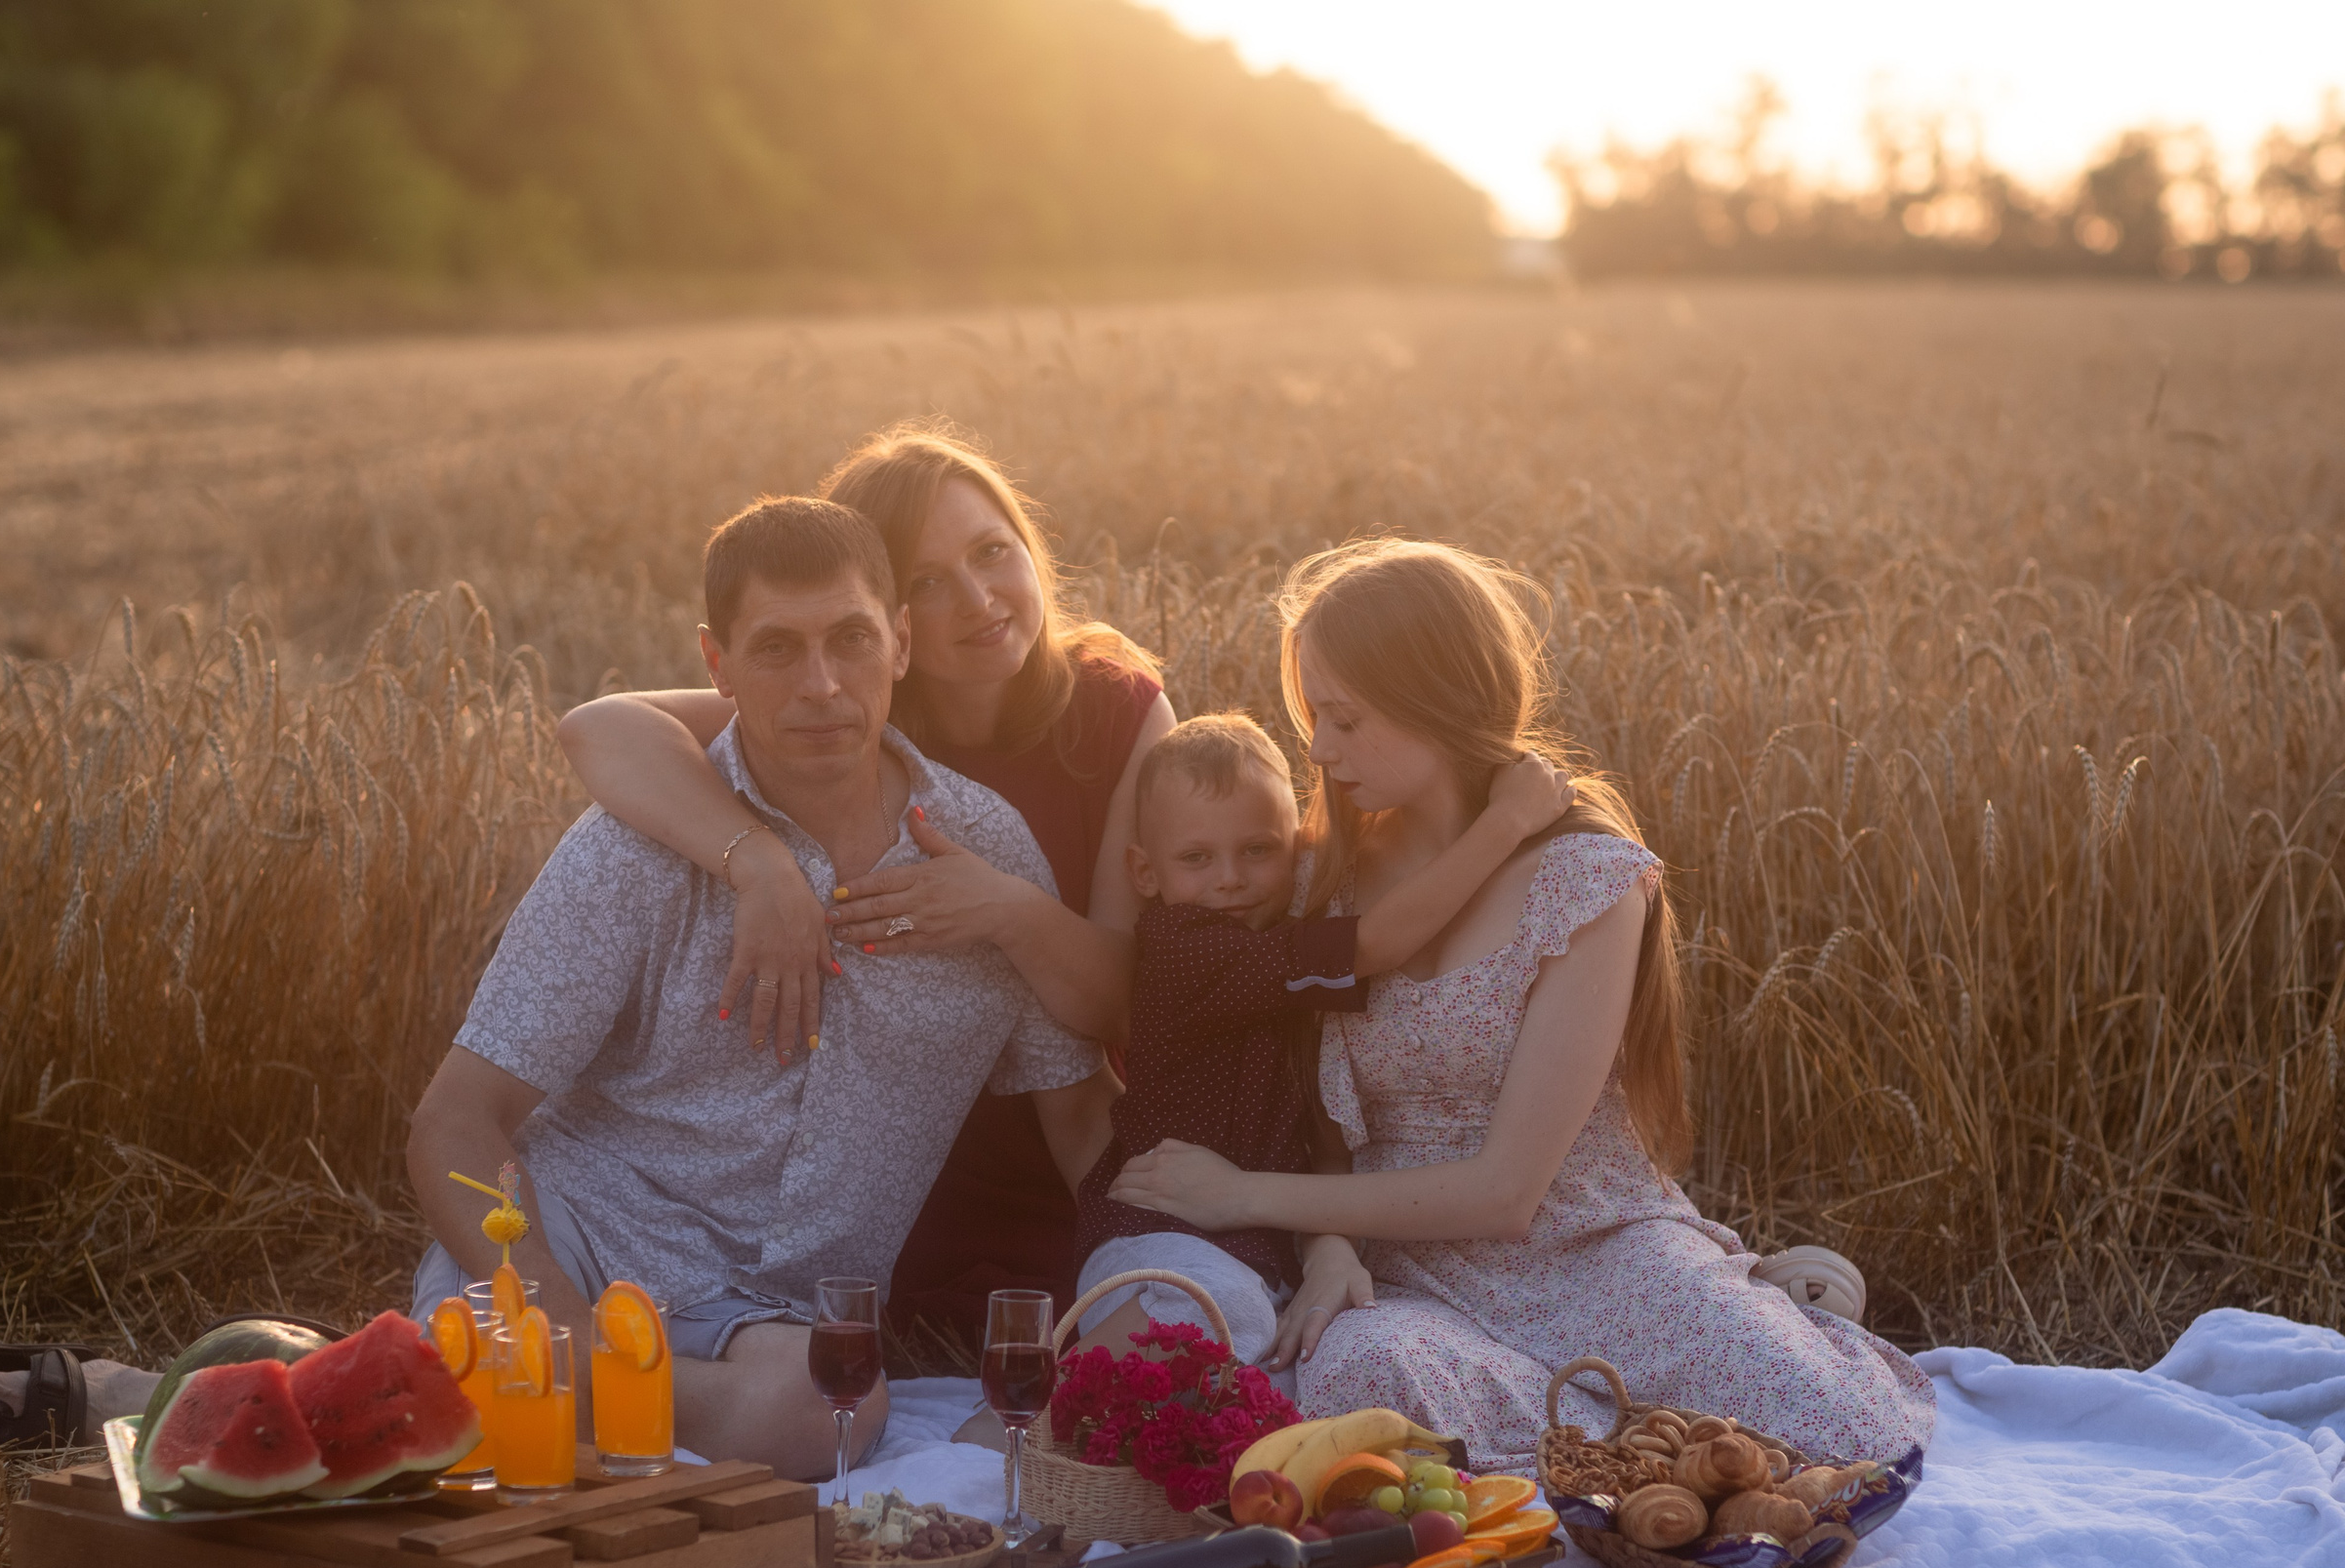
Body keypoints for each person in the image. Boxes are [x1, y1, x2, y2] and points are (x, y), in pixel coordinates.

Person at [1108, 539, 1936, 1468]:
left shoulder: (1584, 881)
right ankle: (1638, 1439)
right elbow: (1305, 1106)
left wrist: (1243, 1195)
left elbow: (1510, 1192)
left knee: (1844, 1437)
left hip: (1585, 1245)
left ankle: (1732, 1327)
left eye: (1343, 718)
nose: (1317, 748)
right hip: (1408, 1269)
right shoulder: (1311, 880)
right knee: (1361, 1374)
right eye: (1314, 715)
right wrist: (1328, 1244)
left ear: (1438, 704)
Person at [407, 496, 1113, 1479]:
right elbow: (455, 1122)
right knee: (495, 1402)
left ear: (900, 644)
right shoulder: (634, 847)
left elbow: (1078, 1115)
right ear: (716, 664)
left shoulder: (985, 855)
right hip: (577, 1249)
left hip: (767, 1326)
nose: (821, 684)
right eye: (777, 649)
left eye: (851, 640)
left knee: (828, 1407)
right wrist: (559, 1328)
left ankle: (519, 1404)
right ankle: (514, 1387)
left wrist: (1149, 1301)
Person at [557, 424, 1168, 1338]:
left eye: (993, 551)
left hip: (1061, 1115)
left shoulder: (1116, 709)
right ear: (896, 619)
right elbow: (599, 728)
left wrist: (1008, 909)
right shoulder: (844, 699)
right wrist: (758, 860)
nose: (978, 598)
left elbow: (1133, 1006)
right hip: (884, 1157)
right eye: (926, 578)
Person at [1065, 712, 1572, 1371]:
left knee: (1288, 1362)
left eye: (1258, 849)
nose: (1230, 878)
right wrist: (1505, 823)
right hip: (1158, 1238)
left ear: (1297, 845)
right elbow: (1377, 942)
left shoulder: (1278, 939)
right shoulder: (1186, 951)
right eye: (1196, 857)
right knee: (1221, 1311)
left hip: (1256, 1252)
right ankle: (1039, 1404)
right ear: (1145, 872)